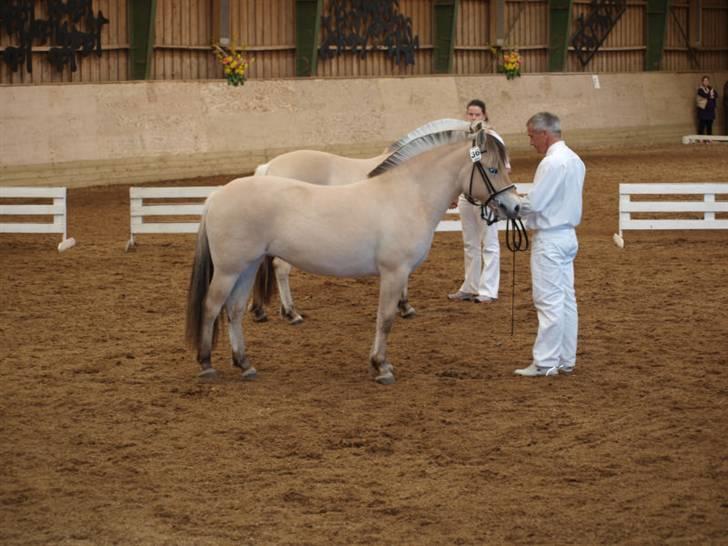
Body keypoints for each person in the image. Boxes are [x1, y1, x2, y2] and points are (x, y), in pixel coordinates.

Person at [514, 112, 585, 377]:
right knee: (566, 300)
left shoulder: (551, 163)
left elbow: (535, 203)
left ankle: (545, 362)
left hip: (550, 238)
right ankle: (565, 359)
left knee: (548, 301)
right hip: (567, 235)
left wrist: (510, 205)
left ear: (544, 134)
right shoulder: (574, 160)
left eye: (532, 136)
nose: (531, 142)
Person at [448, 99, 509, 304]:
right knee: (470, 244)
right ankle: (470, 286)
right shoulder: (467, 140)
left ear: (484, 116)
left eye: (477, 115)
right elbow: (464, 170)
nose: (473, 118)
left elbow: (502, 169)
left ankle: (488, 289)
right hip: (468, 198)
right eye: (470, 114)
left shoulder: (493, 139)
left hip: (487, 199)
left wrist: (490, 193)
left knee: (489, 244)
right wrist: (456, 194)